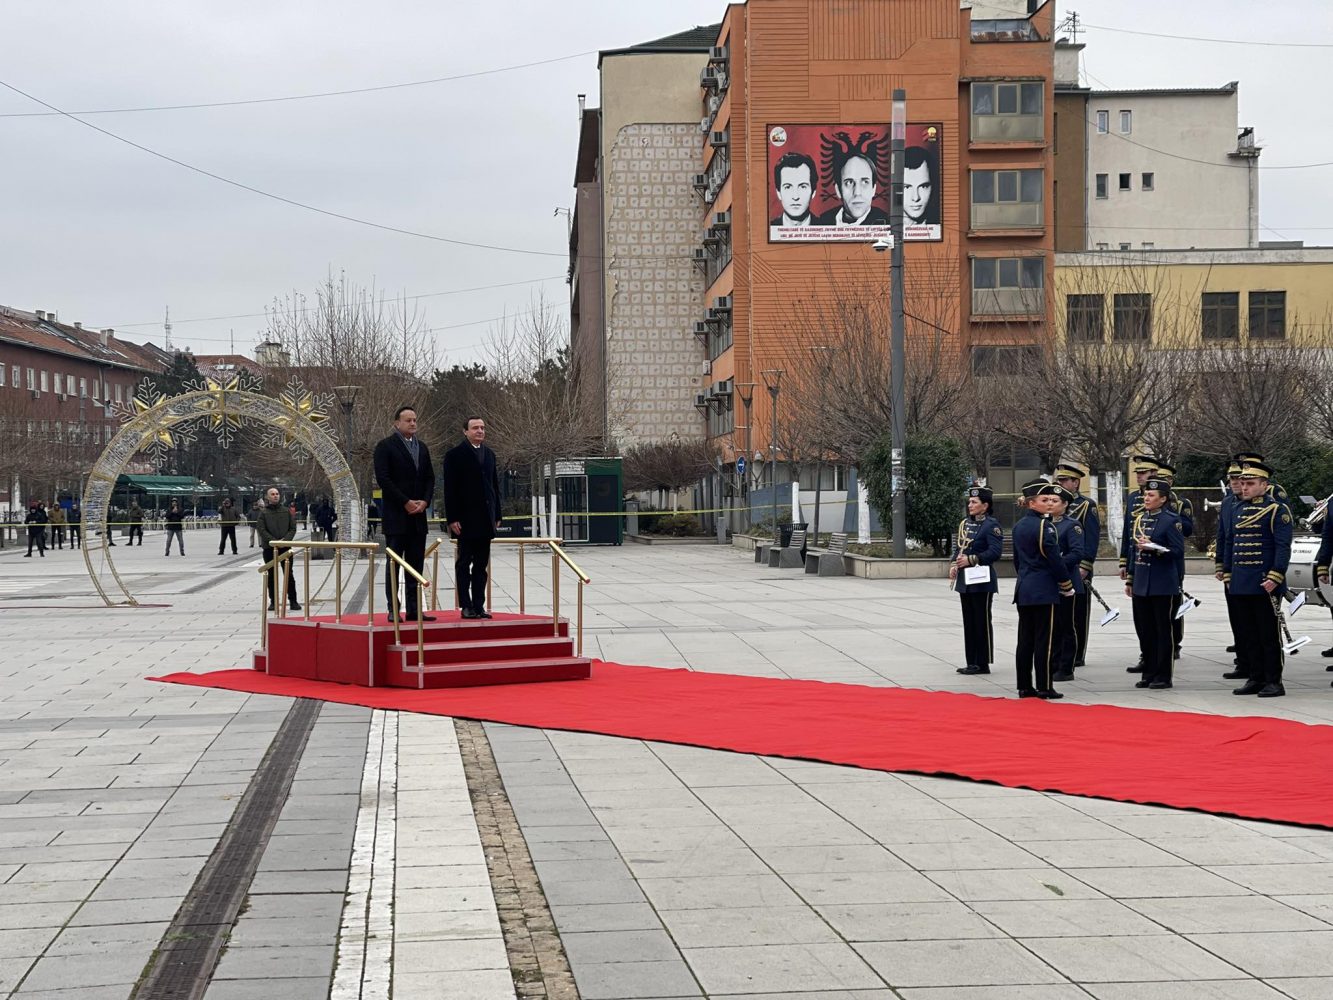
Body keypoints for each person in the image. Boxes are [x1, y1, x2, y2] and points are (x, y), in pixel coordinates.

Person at [1223, 459, 1292, 698]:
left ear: (1264, 485)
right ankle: (1255, 677)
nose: (1244, 488)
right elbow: (1232, 542)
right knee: (1248, 634)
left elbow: (1283, 547)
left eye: (1250, 483)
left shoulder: (1276, 510)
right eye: (1242, 483)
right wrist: (1229, 573)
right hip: (1241, 581)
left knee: (1268, 635)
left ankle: (1274, 681)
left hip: (1265, 581)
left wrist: (1275, 576)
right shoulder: (1238, 508)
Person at [373, 406, 436, 623]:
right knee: (394, 565)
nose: (412, 423)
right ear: (396, 423)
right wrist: (405, 502)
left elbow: (429, 477)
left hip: (418, 517)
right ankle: (393, 608)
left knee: (416, 565)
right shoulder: (385, 447)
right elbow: (384, 479)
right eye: (408, 420)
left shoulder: (423, 448)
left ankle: (414, 609)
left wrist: (424, 501)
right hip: (396, 517)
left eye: (415, 420)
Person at [1012, 480, 1074, 699]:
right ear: (1031, 503)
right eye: (1044, 500)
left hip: (1024, 588)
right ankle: (1045, 685)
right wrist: (1066, 585)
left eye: (1050, 500)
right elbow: (1055, 560)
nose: (1049, 504)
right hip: (1043, 589)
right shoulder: (1044, 526)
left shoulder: (1019, 526)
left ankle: (1024, 686)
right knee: (1044, 641)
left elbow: (1017, 561)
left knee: (1025, 640)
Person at [1124, 478, 1185, 690]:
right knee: (1145, 630)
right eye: (1145, 495)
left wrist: (1155, 548)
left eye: (1151, 496)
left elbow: (1177, 552)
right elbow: (1133, 551)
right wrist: (1131, 579)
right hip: (1141, 582)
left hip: (1162, 583)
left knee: (1162, 630)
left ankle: (1163, 675)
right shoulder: (1140, 518)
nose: (1146, 498)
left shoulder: (1171, 520)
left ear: (1163, 499)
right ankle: (1148, 672)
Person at [443, 416, 503, 620]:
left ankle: (479, 604)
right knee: (463, 564)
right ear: (465, 431)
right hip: (465, 520)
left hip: (486, 519)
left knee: (481, 566)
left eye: (483, 428)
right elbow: (449, 489)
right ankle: (466, 605)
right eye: (475, 428)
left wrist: (497, 514)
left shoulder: (490, 455)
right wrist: (452, 518)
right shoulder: (454, 455)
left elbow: (494, 486)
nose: (480, 431)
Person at [951, 486, 1002, 676]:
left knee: (981, 621)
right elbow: (958, 548)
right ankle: (971, 661)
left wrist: (972, 560)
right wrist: (953, 565)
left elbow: (995, 552)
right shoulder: (965, 523)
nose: (970, 505)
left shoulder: (991, 525)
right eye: (969, 502)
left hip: (982, 580)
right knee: (969, 622)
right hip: (966, 580)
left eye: (974, 502)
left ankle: (983, 662)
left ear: (985, 505)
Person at [1054, 460, 1099, 667]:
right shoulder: (1053, 504)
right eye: (1059, 480)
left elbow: (1091, 538)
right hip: (1059, 567)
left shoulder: (1086, 505)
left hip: (1077, 566)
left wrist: (1085, 565)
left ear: (1076, 483)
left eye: (1065, 480)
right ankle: (1062, 651)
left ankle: (1078, 653)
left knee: (1079, 612)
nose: (1061, 483)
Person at [1120, 455, 1158, 673]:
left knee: (1160, 621)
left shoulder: (1168, 499)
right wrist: (1124, 561)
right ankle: (1146, 657)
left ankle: (1161, 660)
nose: (1139, 476)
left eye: (1143, 472)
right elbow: (1128, 532)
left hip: (1159, 567)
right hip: (1138, 561)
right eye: (1137, 473)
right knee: (1141, 619)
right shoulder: (1134, 497)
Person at [1155, 460, 1194, 658]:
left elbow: (1188, 530)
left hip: (1172, 561)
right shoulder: (1142, 501)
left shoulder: (1181, 504)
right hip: (1150, 563)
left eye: (1163, 479)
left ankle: (1175, 643)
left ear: (1170, 481)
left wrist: (1172, 515)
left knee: (1174, 604)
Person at [1048, 484, 1086, 682]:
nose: (1050, 504)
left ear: (1065, 505)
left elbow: (1077, 553)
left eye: (1055, 501)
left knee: (1066, 625)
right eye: (1048, 501)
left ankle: (1066, 667)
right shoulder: (1044, 523)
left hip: (1067, 582)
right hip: (1048, 583)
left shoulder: (1072, 525)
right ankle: (1052, 664)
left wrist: (1057, 563)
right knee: (1052, 626)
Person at [1217, 462, 1249, 680]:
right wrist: (1221, 565)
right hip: (1233, 570)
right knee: (1237, 619)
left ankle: (1258, 668)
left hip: (1254, 573)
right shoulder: (1229, 502)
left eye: (1241, 479)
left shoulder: (1270, 505)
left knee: (1256, 626)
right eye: (1232, 479)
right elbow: (1224, 536)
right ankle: (1243, 662)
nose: (1236, 483)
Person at [257, 487, 301, 612]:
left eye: (277, 494)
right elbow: (261, 529)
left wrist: (285, 540)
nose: (275, 496)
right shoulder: (263, 513)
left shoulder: (286, 511)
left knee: (288, 574)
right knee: (271, 575)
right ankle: (273, 601)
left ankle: (293, 600)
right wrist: (273, 541)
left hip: (285, 547)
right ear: (267, 497)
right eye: (272, 494)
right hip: (269, 548)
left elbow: (292, 528)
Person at [816, 152, 889, 226]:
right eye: (849, 182)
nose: (857, 192)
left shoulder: (887, 222)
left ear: (873, 189)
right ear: (838, 190)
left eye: (865, 182)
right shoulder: (822, 221)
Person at [769, 152, 817, 230]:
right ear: (778, 193)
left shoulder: (829, 227)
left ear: (813, 192)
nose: (795, 197)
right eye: (788, 187)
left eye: (802, 187)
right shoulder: (768, 229)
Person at [902, 145, 939, 229]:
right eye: (907, 187)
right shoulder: (880, 225)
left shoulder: (941, 225)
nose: (916, 198)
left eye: (923, 186)